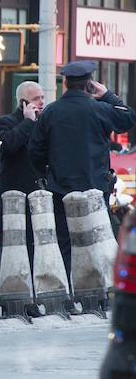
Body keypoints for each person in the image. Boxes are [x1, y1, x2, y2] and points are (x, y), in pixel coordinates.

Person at [28, 60, 136, 275]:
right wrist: (107, 95)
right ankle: (97, 293)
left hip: (60, 187)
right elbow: (128, 118)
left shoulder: (51, 112)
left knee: (65, 241)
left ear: (65, 82)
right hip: (95, 186)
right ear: (89, 84)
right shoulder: (100, 109)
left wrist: (46, 174)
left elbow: (35, 150)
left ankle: (69, 291)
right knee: (97, 238)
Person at [0, 81, 45, 265]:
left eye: (42, 97)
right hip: (15, 192)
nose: (41, 102)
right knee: (13, 241)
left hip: (39, 192)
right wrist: (27, 121)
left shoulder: (43, 121)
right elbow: (9, 145)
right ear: (23, 102)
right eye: (36, 98)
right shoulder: (6, 122)